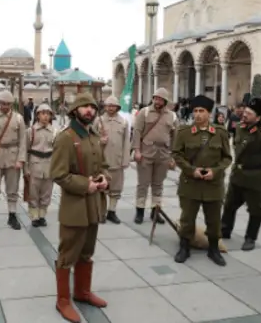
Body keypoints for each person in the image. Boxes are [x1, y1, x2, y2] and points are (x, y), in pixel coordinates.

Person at [51, 93, 109, 323]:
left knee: (87, 251)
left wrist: (105, 178)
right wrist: (87, 185)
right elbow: (58, 174)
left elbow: (102, 164)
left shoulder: (93, 135)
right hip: (74, 206)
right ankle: (63, 300)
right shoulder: (66, 137)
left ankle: (82, 292)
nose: (89, 110)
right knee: (68, 255)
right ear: (75, 110)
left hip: (93, 205)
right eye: (84, 106)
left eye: (92, 107)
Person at [172, 95, 232, 266]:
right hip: (191, 184)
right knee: (187, 218)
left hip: (213, 185)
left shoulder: (220, 133)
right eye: (195, 111)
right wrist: (191, 171)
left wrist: (215, 171)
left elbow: (227, 158)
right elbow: (176, 154)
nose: (198, 115)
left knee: (213, 220)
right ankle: (184, 247)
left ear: (209, 114)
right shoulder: (184, 132)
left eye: (202, 111)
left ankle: (213, 249)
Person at [220, 97, 261, 251]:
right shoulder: (240, 127)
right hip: (237, 175)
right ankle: (224, 230)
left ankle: (250, 238)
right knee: (229, 205)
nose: (244, 115)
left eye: (249, 113)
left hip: (254, 178)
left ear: (258, 117)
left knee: (255, 211)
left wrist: (258, 164)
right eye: (245, 112)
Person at [132, 88, 177, 225]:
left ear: (165, 101)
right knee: (143, 184)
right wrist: (137, 150)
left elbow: (175, 137)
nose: (157, 101)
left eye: (160, 99)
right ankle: (140, 211)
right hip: (146, 152)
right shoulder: (144, 113)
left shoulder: (172, 116)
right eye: (155, 98)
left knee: (158, 185)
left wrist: (172, 155)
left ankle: (155, 212)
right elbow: (137, 132)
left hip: (162, 153)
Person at [0, 91, 27, 231]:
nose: (5, 106)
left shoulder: (19, 119)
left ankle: (12, 215)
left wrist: (21, 159)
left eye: (8, 104)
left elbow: (22, 141)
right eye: (3, 103)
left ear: (11, 104)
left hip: (13, 156)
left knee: (13, 188)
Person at [94, 95, 130, 224]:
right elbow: (91, 140)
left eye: (113, 105)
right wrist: (100, 141)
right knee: (102, 187)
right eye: (108, 105)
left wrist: (126, 159)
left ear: (117, 107)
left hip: (117, 160)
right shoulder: (98, 121)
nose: (110, 108)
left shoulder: (124, 122)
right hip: (102, 161)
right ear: (105, 107)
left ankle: (112, 211)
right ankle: (101, 212)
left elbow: (127, 142)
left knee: (116, 188)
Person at [26, 103, 56, 227]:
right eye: (43, 113)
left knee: (46, 192)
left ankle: (42, 215)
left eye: (48, 114)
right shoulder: (31, 131)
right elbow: (25, 150)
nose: (45, 116)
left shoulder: (55, 132)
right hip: (34, 164)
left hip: (49, 165)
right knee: (33, 192)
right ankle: (34, 216)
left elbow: (58, 150)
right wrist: (25, 168)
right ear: (37, 115)